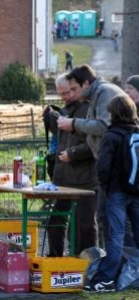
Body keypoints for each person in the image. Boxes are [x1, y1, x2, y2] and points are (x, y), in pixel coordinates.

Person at [57, 64, 125, 250]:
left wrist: (74, 123)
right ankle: (108, 261)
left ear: (86, 83)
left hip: (118, 167)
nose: (72, 94)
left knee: (114, 220)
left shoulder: (105, 92)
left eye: (74, 89)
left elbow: (103, 126)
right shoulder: (94, 96)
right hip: (107, 165)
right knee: (104, 216)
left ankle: (120, 264)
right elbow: (92, 133)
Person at [84, 94, 139, 292]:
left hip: (116, 192)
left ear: (114, 114)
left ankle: (106, 278)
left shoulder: (112, 135)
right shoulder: (136, 133)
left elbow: (103, 166)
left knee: (116, 235)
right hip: (136, 190)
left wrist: (106, 187)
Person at [47, 73, 98, 257]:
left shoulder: (90, 109)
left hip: (85, 178)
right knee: (55, 222)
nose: (65, 97)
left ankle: (87, 264)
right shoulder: (66, 109)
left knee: (84, 225)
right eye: (61, 94)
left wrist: (73, 154)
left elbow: (95, 143)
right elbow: (63, 139)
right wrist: (51, 119)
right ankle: (54, 260)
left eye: (68, 92)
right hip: (63, 177)